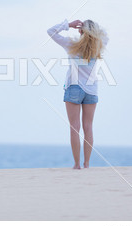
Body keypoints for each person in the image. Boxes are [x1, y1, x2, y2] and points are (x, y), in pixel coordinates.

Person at [47, 19, 109, 169]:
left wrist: (68, 25)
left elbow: (50, 31)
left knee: (74, 127)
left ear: (80, 31)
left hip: (74, 88)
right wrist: (91, 29)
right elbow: (105, 34)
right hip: (91, 90)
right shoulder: (100, 45)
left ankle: (76, 164)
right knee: (88, 127)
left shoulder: (71, 44)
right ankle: (86, 163)